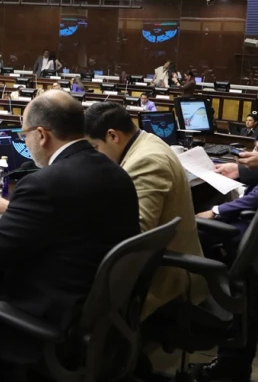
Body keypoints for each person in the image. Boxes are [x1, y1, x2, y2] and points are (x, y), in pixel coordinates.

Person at [0, 90, 140, 373]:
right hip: (94, 315)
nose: (25, 142)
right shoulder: (116, 172)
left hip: (47, 322)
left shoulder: (44, 183)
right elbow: (72, 218)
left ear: (41, 135)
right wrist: (13, 209)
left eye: (24, 134)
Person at [198, 31, 258, 382]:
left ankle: (229, 367)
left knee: (251, 295)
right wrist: (247, 166)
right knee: (251, 296)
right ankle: (231, 364)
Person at [84, 102, 206, 320]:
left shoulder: (146, 162)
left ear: (113, 136)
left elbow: (136, 240)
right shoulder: (147, 141)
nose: (95, 156)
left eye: (95, 147)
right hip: (163, 266)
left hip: (165, 283)